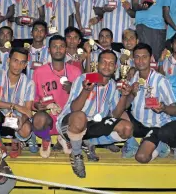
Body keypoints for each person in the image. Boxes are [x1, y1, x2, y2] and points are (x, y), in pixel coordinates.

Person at [56, 50, 134, 178]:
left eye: (111, 63)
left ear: (115, 68)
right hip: (71, 123)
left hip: (93, 125)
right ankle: (76, 154)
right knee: (80, 116)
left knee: (127, 128)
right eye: (103, 62)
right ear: (97, 64)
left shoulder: (113, 85)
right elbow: (75, 109)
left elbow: (115, 115)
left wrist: (124, 96)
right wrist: (86, 90)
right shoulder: (85, 78)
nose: (107, 66)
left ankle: (89, 142)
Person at [122, 43, 176, 163]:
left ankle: (162, 146)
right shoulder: (134, 77)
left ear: (150, 58)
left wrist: (163, 108)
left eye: (144, 57)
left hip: (156, 126)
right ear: (133, 59)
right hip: (138, 123)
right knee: (116, 112)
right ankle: (132, 144)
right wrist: (132, 94)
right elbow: (125, 106)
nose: (140, 61)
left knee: (141, 157)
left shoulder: (160, 80)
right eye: (137, 57)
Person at [32, 35, 81, 158]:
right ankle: (46, 138)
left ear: (66, 49)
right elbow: (33, 99)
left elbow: (83, 99)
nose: (58, 50)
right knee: (38, 120)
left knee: (79, 118)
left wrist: (73, 89)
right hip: (49, 118)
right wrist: (36, 105)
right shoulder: (39, 72)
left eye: (61, 46)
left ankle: (63, 137)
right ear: (49, 50)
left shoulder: (75, 71)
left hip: (67, 118)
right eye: (54, 47)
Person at [0, 47, 35, 158]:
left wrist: (22, 120)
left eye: (22, 62)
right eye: (15, 61)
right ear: (8, 61)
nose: (18, 66)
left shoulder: (29, 83)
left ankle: (17, 140)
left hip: (15, 121)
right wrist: (14, 106)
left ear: (25, 65)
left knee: (26, 129)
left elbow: (27, 111)